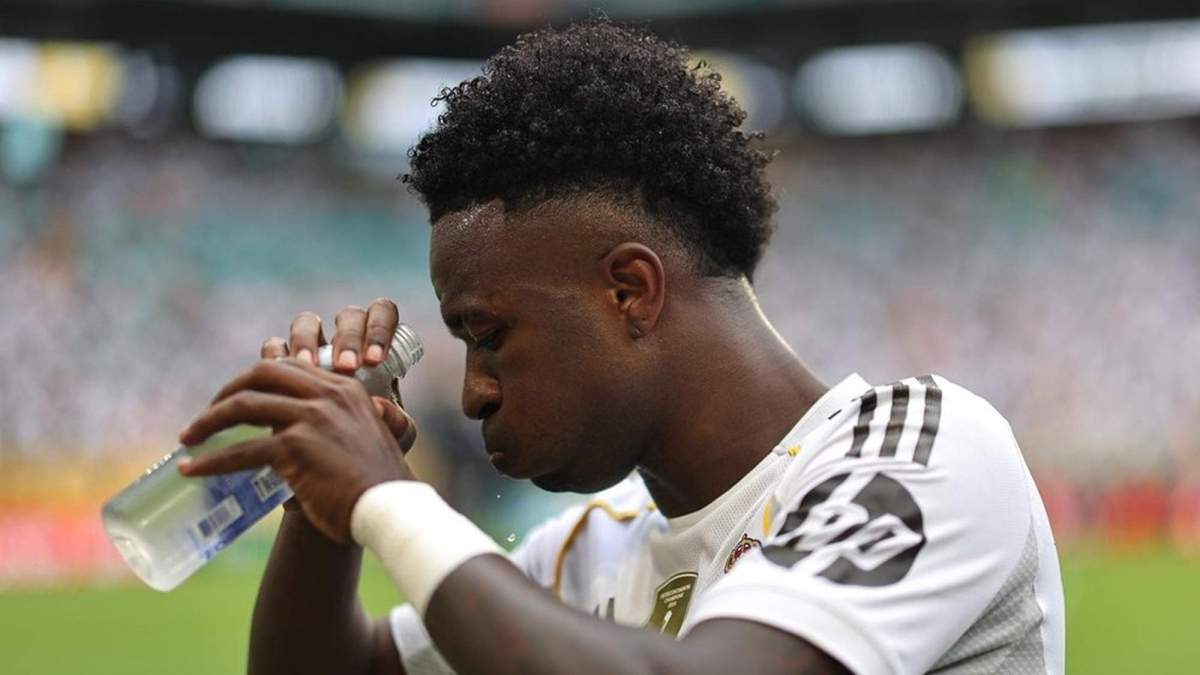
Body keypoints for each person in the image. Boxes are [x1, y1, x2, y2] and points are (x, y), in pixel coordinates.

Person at [177, 20, 1064, 675]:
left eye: (489, 336)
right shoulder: (585, 552)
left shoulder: (922, 451)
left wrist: (385, 495)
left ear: (629, 291)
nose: (474, 391)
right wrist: (323, 508)